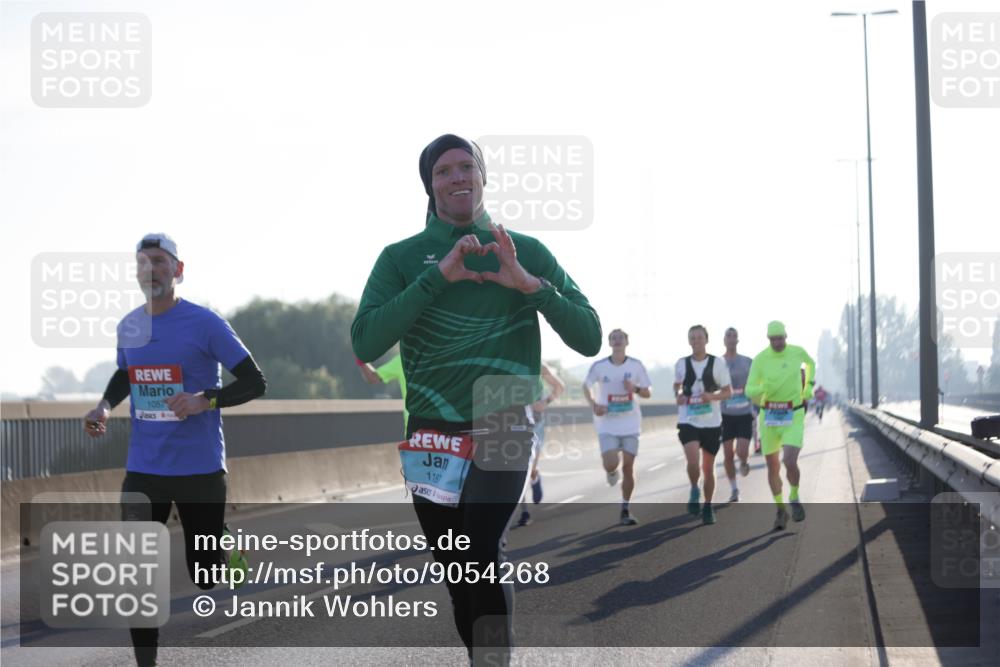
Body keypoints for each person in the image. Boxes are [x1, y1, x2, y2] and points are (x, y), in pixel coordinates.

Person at [351, 134, 601, 664]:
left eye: (467, 166)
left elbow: (589, 336)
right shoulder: (399, 258)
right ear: (430, 186)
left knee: (481, 551)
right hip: (430, 428)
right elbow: (366, 341)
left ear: (483, 176)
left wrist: (529, 284)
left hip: (503, 415)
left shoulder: (525, 250)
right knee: (456, 571)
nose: (457, 177)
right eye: (443, 171)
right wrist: (438, 277)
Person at [83, 233, 267, 667]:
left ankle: (224, 545)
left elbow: (255, 382)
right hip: (144, 468)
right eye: (142, 262)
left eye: (159, 261)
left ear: (178, 270)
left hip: (199, 468)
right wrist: (104, 406)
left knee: (205, 574)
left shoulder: (205, 324)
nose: (150, 269)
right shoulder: (129, 326)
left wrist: (205, 399)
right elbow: (126, 374)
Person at [745, 320, 816, 531]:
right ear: (768, 339)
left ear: (786, 336)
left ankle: (794, 496)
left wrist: (808, 387)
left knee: (789, 460)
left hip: (793, 414)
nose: (777, 342)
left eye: (780, 338)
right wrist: (761, 389)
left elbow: (811, 364)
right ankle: (780, 509)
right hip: (769, 417)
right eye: (773, 339)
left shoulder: (797, 352)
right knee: (773, 467)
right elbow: (749, 389)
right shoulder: (760, 359)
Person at [582, 329, 653, 526]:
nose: (617, 340)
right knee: (611, 463)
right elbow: (586, 386)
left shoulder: (636, 365)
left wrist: (635, 388)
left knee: (628, 467)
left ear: (627, 342)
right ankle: (611, 471)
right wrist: (594, 404)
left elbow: (648, 392)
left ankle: (625, 508)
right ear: (609, 343)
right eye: (614, 338)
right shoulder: (600, 366)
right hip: (607, 424)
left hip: (630, 424)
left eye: (621, 337)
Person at [673, 325, 732, 525]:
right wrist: (678, 395)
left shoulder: (717, 363)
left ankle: (708, 505)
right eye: (692, 337)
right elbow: (677, 385)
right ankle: (694, 488)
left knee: (708, 467)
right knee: (692, 460)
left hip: (712, 422)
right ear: (689, 341)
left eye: (699, 337)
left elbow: (728, 392)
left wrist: (711, 396)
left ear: (706, 340)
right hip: (688, 420)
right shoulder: (681, 363)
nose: (696, 341)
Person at [517, 361, 565, 526]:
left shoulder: (538, 365)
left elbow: (559, 387)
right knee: (517, 469)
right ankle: (524, 512)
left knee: (529, 469)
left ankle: (535, 476)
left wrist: (545, 402)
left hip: (535, 425)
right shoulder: (505, 361)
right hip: (513, 422)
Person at [720, 327, 754, 502]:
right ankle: (734, 489)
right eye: (728, 336)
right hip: (725, 414)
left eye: (734, 336)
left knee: (741, 450)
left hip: (744, 412)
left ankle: (744, 460)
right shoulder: (717, 363)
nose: (731, 339)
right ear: (724, 340)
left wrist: (751, 390)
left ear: (738, 340)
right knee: (727, 454)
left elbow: (758, 381)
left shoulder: (747, 362)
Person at [358, 352, 409, 433]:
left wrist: (360, 354)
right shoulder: (402, 360)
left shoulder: (403, 359)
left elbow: (372, 377)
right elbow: (372, 377)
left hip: (415, 426)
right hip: (416, 426)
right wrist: (360, 357)